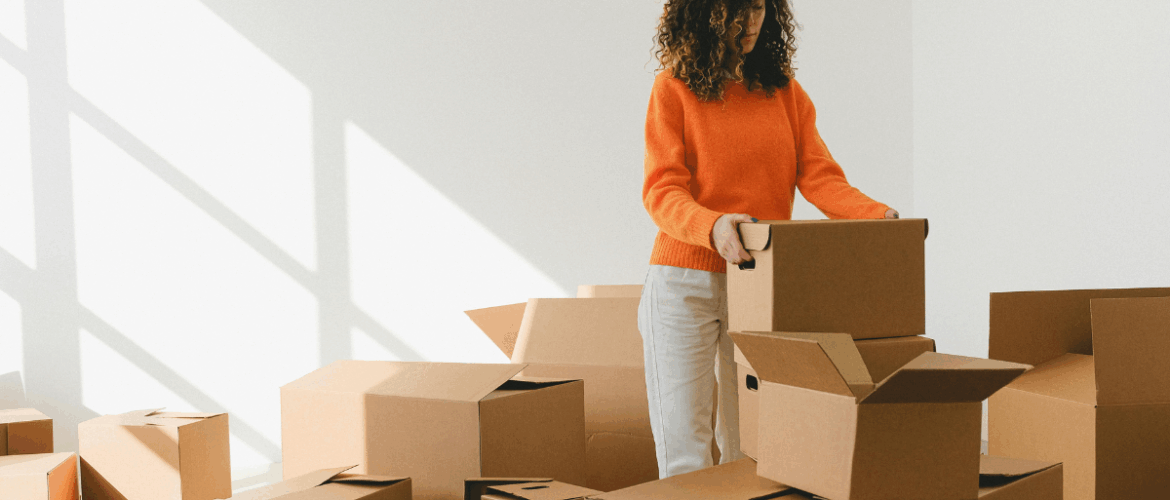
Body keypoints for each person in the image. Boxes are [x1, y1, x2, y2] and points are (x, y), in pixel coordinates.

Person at [637, 0, 900, 479]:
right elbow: (662, 189)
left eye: (759, 7)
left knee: (751, 449)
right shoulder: (672, 88)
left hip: (757, 287)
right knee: (684, 453)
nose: (751, 22)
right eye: (737, 9)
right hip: (683, 284)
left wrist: (877, 216)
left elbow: (820, 177)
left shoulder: (785, 93)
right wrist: (713, 226)